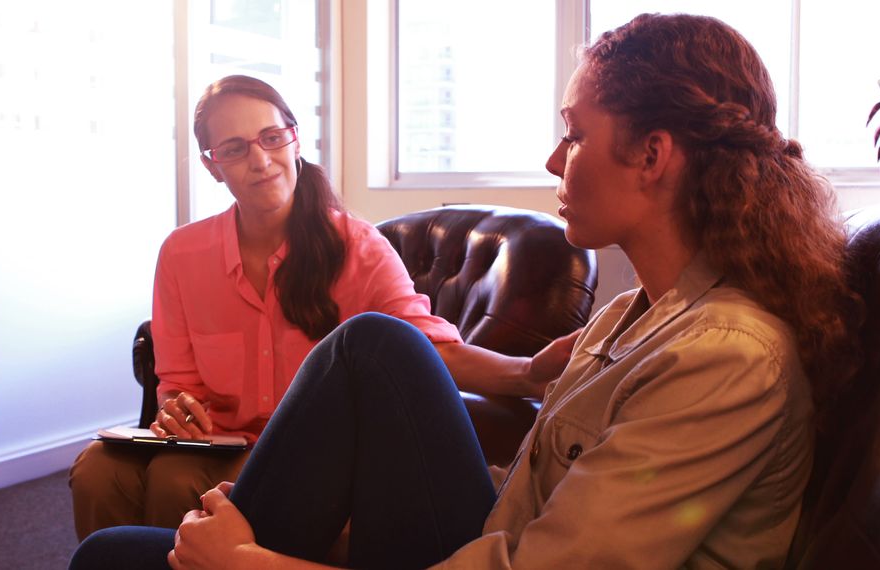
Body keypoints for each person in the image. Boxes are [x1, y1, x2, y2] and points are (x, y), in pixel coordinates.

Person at [69, 13, 861, 569]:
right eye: (234, 148)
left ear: (652, 154)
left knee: (376, 344)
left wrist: (253, 562)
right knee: (113, 525)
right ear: (212, 163)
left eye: (575, 133)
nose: (556, 161)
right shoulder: (627, 315)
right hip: (476, 528)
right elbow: (530, 495)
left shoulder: (724, 356)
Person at [69, 75, 574, 542]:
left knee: (173, 476)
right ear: (211, 164)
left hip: (307, 456)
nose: (261, 160)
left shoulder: (356, 246)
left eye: (272, 137)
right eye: (235, 148)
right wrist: (178, 411)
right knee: (97, 467)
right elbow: (178, 381)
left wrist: (528, 374)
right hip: (220, 445)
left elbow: (425, 351)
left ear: (294, 138)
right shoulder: (181, 255)